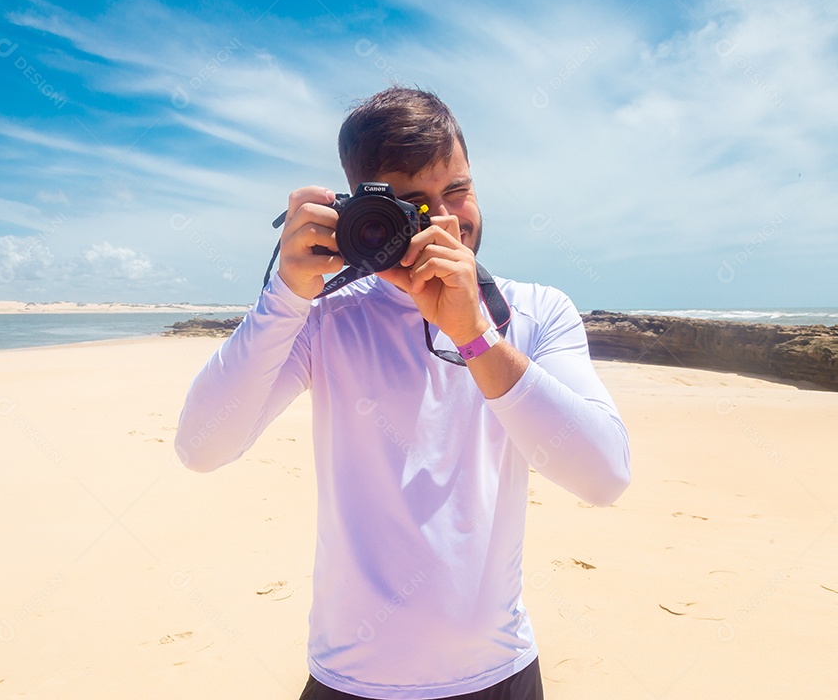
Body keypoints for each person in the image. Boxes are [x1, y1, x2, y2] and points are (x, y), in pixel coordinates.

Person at [175, 87, 630, 700]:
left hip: (500, 672)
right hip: (351, 679)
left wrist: (474, 336)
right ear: (359, 210)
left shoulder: (534, 313)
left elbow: (605, 477)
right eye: (413, 204)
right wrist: (284, 295)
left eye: (459, 190)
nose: (445, 219)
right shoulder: (323, 316)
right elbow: (202, 446)